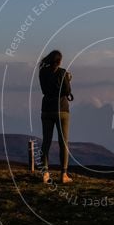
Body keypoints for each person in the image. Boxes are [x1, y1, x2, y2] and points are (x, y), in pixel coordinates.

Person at [38, 50, 73, 183]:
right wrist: (68, 79)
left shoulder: (42, 72)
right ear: (59, 61)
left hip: (46, 109)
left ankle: (45, 173)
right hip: (62, 110)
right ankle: (63, 174)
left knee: (46, 141)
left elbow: (44, 90)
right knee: (63, 142)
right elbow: (67, 91)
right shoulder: (63, 73)